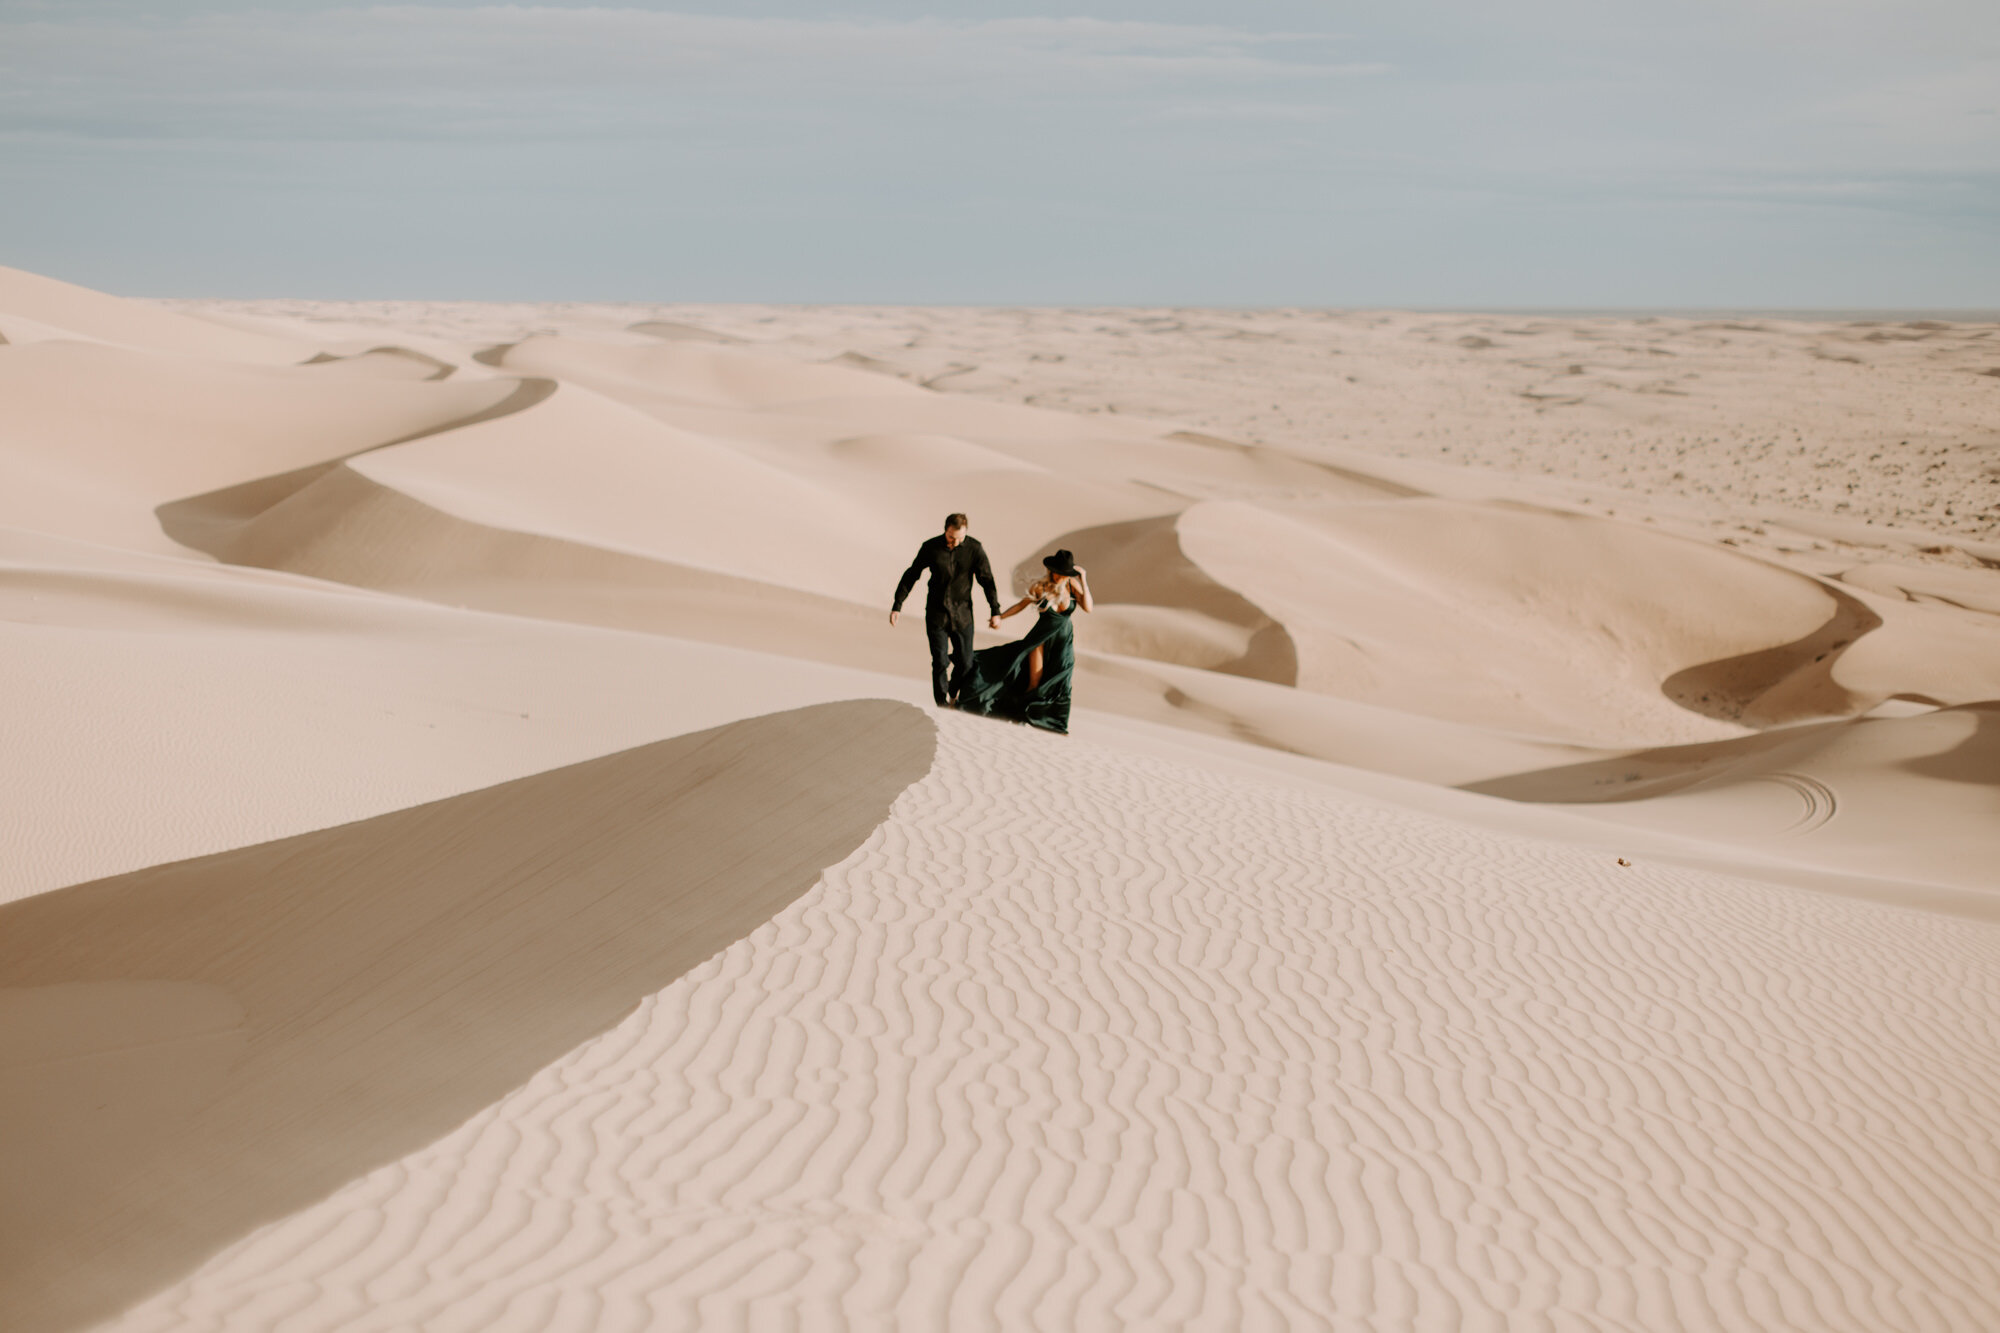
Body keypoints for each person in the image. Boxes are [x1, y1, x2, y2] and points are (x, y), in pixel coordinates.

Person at [954, 548, 1092, 734]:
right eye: (1057, 573)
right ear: (1051, 571)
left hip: (1063, 643)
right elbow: (1020, 606)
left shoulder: (1072, 585)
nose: (1059, 577)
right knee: (1033, 682)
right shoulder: (1040, 587)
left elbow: (1088, 607)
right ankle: (1020, 716)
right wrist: (1000, 617)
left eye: (1063, 574)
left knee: (1062, 682)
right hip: (1039, 642)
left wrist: (1083, 578)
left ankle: (1055, 725)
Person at [891, 512, 1003, 707]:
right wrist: (898, 604)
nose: (956, 542)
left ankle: (953, 692)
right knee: (940, 661)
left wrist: (995, 610)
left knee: (966, 663)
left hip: (963, 616)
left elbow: (987, 580)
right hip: (937, 614)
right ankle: (941, 705)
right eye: (952, 537)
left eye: (960, 538)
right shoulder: (931, 547)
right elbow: (912, 574)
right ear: (945, 530)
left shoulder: (974, 549)